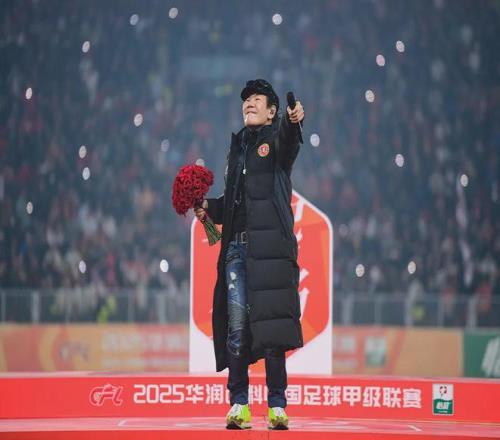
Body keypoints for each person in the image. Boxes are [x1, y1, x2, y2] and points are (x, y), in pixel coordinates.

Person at [195, 79, 305, 430]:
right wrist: (206, 207)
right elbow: (231, 204)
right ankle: (239, 404)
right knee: (237, 328)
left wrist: (294, 120)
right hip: (236, 251)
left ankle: (277, 406)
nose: (249, 104)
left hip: (269, 251)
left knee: (271, 332)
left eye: (257, 99)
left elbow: (289, 138)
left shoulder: (277, 142)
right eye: (246, 100)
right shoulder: (237, 148)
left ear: (272, 112)